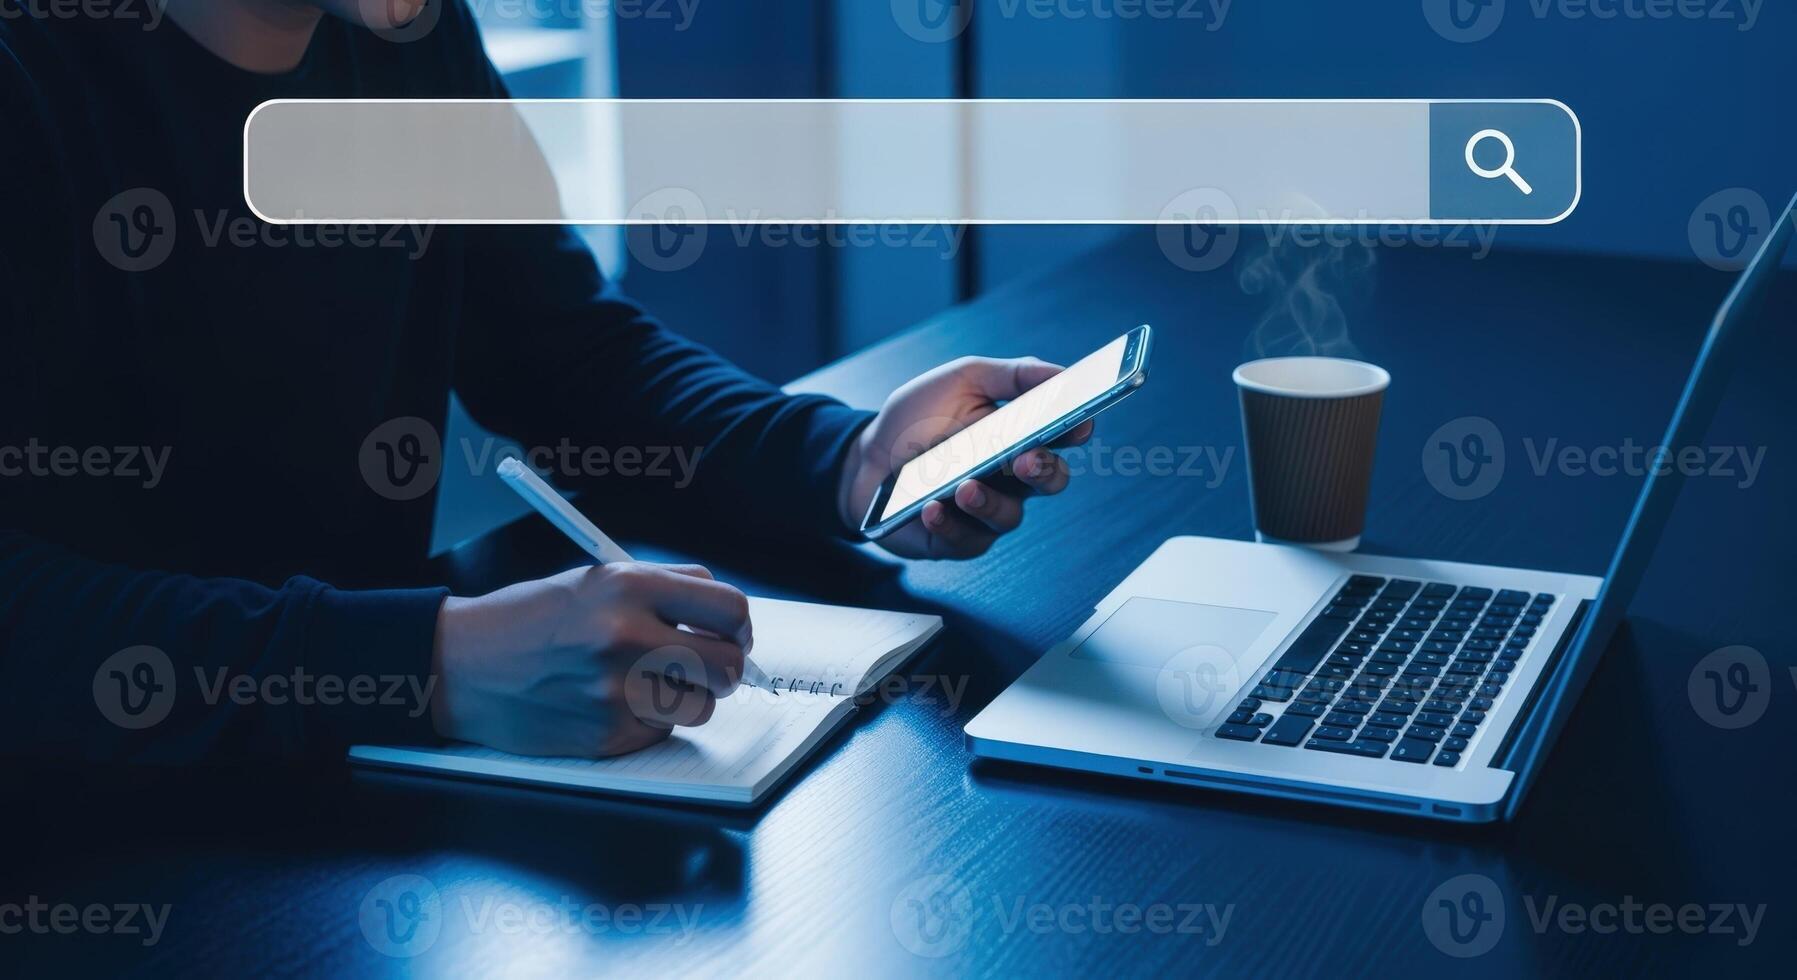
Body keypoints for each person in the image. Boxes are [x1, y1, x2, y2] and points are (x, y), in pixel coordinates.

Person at [0, 0, 1094, 762]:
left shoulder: (408, 35)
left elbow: (571, 357)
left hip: (361, 801)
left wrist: (842, 461)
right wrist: (429, 662)